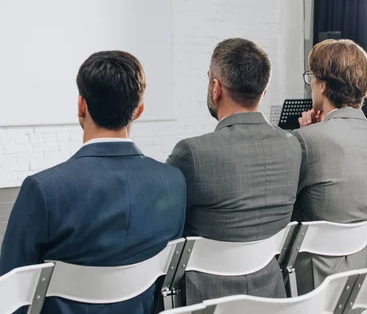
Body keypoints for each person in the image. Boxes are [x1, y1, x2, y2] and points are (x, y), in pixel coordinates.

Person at [0, 51, 186, 314]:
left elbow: (9, 293)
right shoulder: (173, 182)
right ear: (139, 110)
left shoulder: (43, 190)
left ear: (81, 105)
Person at [167, 38, 301, 304]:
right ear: (263, 92)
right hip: (271, 297)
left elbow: (167, 230)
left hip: (205, 300)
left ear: (216, 87)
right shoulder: (293, 146)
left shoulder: (192, 153)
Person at [292, 39, 367, 295]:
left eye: (311, 78)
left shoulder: (305, 140)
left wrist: (306, 136)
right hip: (365, 282)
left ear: (323, 85)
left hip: (314, 284)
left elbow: (281, 208)